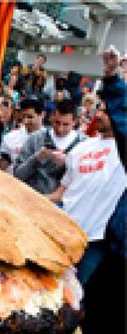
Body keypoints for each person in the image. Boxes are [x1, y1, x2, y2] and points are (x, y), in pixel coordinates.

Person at [46, 102, 125, 285]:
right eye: (100, 109)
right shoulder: (80, 148)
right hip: (64, 233)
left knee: (74, 294)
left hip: (95, 241)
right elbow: (61, 193)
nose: (99, 114)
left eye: (107, 111)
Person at [13, 99, 86, 195]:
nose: (60, 129)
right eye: (57, 123)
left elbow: (83, 181)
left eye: (65, 125)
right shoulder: (36, 138)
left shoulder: (83, 144)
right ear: (51, 117)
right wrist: (38, 158)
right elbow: (17, 175)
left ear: (75, 122)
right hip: (31, 198)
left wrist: (68, 164)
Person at [0, 97, 44, 174]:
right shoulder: (10, 138)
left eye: (30, 117)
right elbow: (1, 167)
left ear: (42, 115)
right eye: (23, 116)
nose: (25, 121)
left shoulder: (50, 139)